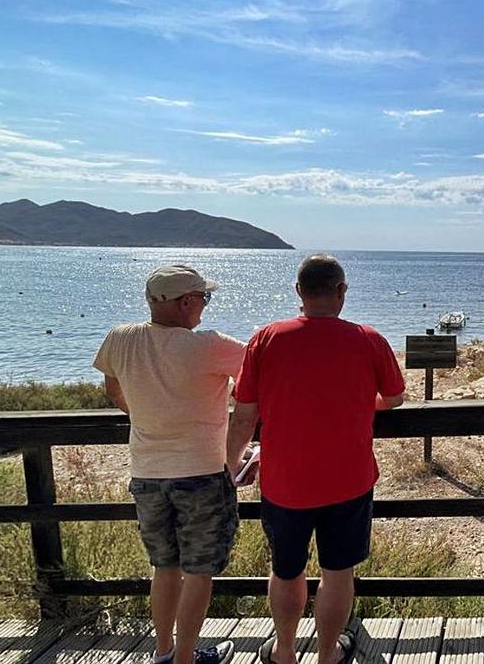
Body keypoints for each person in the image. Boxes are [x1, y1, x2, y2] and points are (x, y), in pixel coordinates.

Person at [226, 255, 405, 664]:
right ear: (341, 291)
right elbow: (393, 398)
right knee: (338, 573)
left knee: (286, 572)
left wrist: (231, 465)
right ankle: (328, 653)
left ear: (299, 293)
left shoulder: (266, 338)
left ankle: (284, 651)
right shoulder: (369, 339)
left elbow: (245, 414)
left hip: (284, 482)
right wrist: (364, 403)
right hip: (349, 479)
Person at [93, 264, 245, 664]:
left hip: (146, 473)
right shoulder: (210, 346)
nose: (205, 309)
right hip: (202, 474)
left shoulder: (120, 338)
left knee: (164, 567)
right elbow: (259, 378)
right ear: (187, 302)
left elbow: (113, 389)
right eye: (204, 300)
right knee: (198, 572)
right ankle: (186, 659)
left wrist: (147, 416)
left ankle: (163, 652)